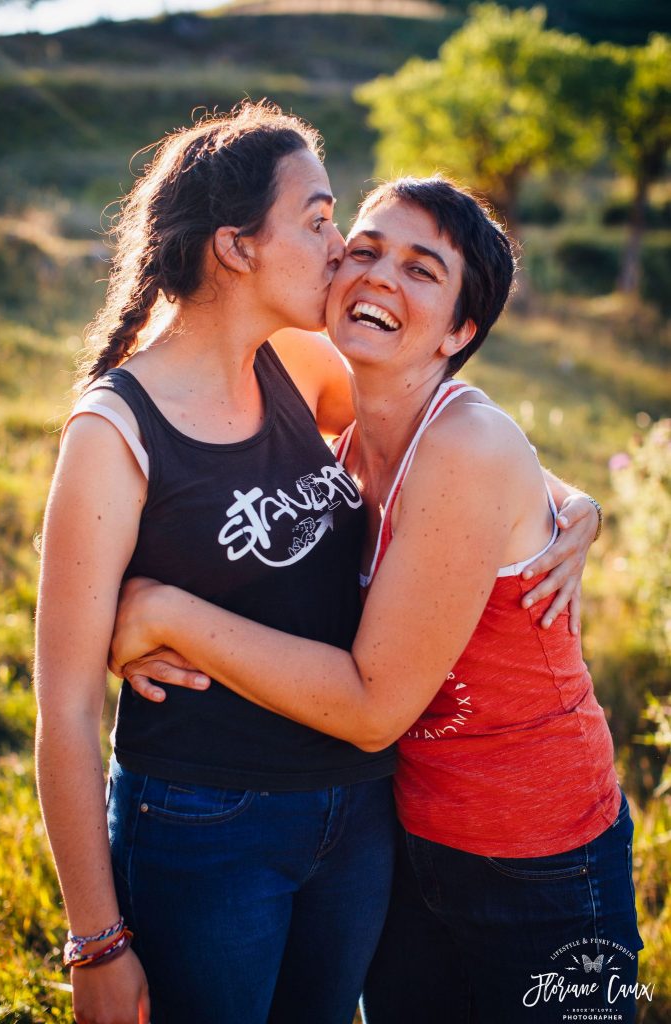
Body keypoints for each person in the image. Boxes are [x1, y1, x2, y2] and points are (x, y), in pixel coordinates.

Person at [111, 177, 641, 1023]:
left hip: (540, 858)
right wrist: (569, 500)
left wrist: (166, 614)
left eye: (422, 269)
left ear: (461, 330)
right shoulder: (347, 428)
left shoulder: (467, 442)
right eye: (364, 249)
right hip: (402, 842)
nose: (380, 277)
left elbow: (369, 708)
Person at [35, 102, 399, 1024]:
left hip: (355, 810)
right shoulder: (117, 431)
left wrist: (567, 505)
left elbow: (443, 435)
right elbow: (66, 712)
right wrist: (97, 944)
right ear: (235, 247)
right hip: (207, 827)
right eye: (317, 220)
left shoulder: (293, 362)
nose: (343, 245)